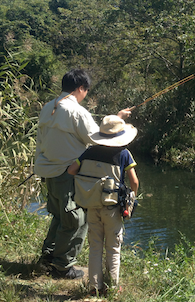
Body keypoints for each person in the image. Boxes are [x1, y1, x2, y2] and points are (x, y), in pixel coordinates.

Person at [34, 69, 130, 279]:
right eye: (86, 90)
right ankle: (62, 266)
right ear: (80, 88)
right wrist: (119, 119)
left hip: (48, 170)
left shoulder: (48, 107)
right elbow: (98, 139)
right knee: (75, 219)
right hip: (68, 172)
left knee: (60, 215)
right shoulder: (77, 112)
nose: (85, 94)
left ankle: (49, 256)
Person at [67, 115, 139, 296]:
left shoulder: (89, 151)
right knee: (113, 248)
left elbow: (71, 170)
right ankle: (113, 288)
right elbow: (135, 182)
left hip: (92, 207)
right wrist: (131, 198)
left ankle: (94, 287)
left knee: (95, 246)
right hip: (112, 208)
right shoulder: (123, 154)